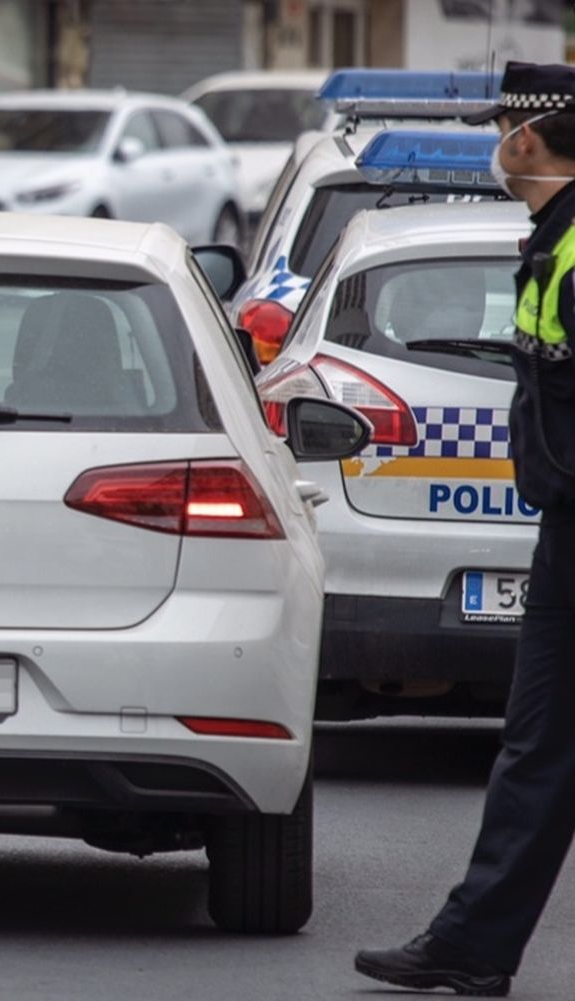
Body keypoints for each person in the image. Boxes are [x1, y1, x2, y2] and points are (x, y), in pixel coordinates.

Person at [355, 61, 575, 997]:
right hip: (566, 535)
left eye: (500, 128)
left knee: (540, 744)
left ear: (526, 137)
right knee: (538, 746)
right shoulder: (554, 241)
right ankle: (475, 944)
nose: (495, 143)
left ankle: (474, 941)